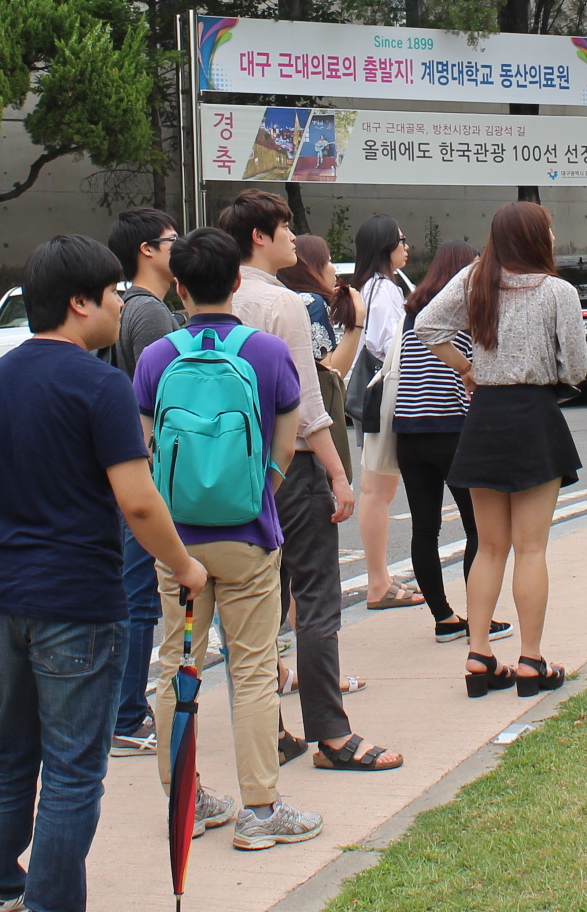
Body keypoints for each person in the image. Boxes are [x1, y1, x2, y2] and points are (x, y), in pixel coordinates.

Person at [0, 235, 209, 912]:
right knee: (75, 764)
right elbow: (138, 500)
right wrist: (185, 565)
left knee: (11, 744)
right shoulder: (100, 386)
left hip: (1, 591)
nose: (118, 307)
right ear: (79, 303)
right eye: (111, 296)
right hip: (75, 596)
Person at [135, 228, 336, 836]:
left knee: (177, 666)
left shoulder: (156, 357)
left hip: (179, 544)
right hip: (248, 535)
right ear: (237, 280)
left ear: (179, 286)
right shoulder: (267, 353)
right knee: (251, 670)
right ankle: (261, 811)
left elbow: (148, 449)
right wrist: (258, 493)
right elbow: (286, 445)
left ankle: (185, 803)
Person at [218, 191, 398, 773]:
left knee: (252, 607)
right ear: (260, 238)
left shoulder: (217, 300)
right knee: (316, 597)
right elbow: (306, 404)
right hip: (291, 467)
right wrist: (339, 474)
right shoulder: (284, 303)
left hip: (230, 471)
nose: (294, 238)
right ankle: (332, 735)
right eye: (285, 227)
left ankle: (269, 731)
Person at [414, 201, 587, 699]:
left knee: (489, 547)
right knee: (531, 548)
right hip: (535, 416)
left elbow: (426, 326)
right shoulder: (558, 291)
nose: (552, 238)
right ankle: (531, 661)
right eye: (548, 231)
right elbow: (577, 367)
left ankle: (479, 656)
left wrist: (466, 368)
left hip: (484, 417)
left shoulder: (476, 280)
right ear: (534, 238)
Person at [391, 242, 503, 644]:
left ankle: (444, 618)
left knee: (425, 529)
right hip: (453, 430)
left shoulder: (414, 313)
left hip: (409, 433)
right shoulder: (467, 312)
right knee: (479, 530)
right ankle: (479, 620)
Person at [102, 207, 182, 759]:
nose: (181, 247)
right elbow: (165, 400)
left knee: (136, 588)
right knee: (140, 592)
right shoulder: (150, 313)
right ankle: (128, 714)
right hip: (150, 469)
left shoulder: (127, 307)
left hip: (133, 464)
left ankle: (126, 709)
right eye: (172, 240)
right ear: (147, 251)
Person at [340, 217, 425, 611]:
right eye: (401, 240)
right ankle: (378, 583)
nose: (406, 246)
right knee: (377, 490)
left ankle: (382, 578)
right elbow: (388, 343)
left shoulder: (371, 286)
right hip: (384, 395)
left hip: (373, 395)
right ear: (384, 246)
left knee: (378, 489)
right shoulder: (384, 288)